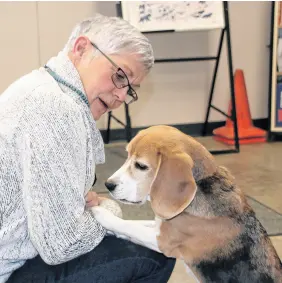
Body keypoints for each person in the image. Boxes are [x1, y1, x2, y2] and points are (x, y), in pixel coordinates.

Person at [0, 14, 176, 283]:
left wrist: (74, 206)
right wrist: (107, 211)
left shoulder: (37, 87)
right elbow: (62, 244)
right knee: (156, 254)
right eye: (120, 76)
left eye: (130, 90)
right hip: (8, 269)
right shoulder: (56, 107)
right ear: (81, 48)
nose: (120, 96)